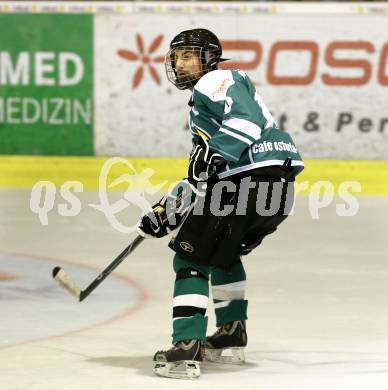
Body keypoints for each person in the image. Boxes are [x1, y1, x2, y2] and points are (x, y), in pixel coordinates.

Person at [138, 28, 304, 379]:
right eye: (177, 57)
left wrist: (216, 153)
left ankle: (185, 349)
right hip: (275, 188)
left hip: (246, 182)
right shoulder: (210, 104)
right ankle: (230, 336)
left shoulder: (214, 81)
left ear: (210, 57)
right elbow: (204, 178)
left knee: (190, 256)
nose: (180, 64)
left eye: (188, 55)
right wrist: (166, 212)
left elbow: (246, 121)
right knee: (223, 254)